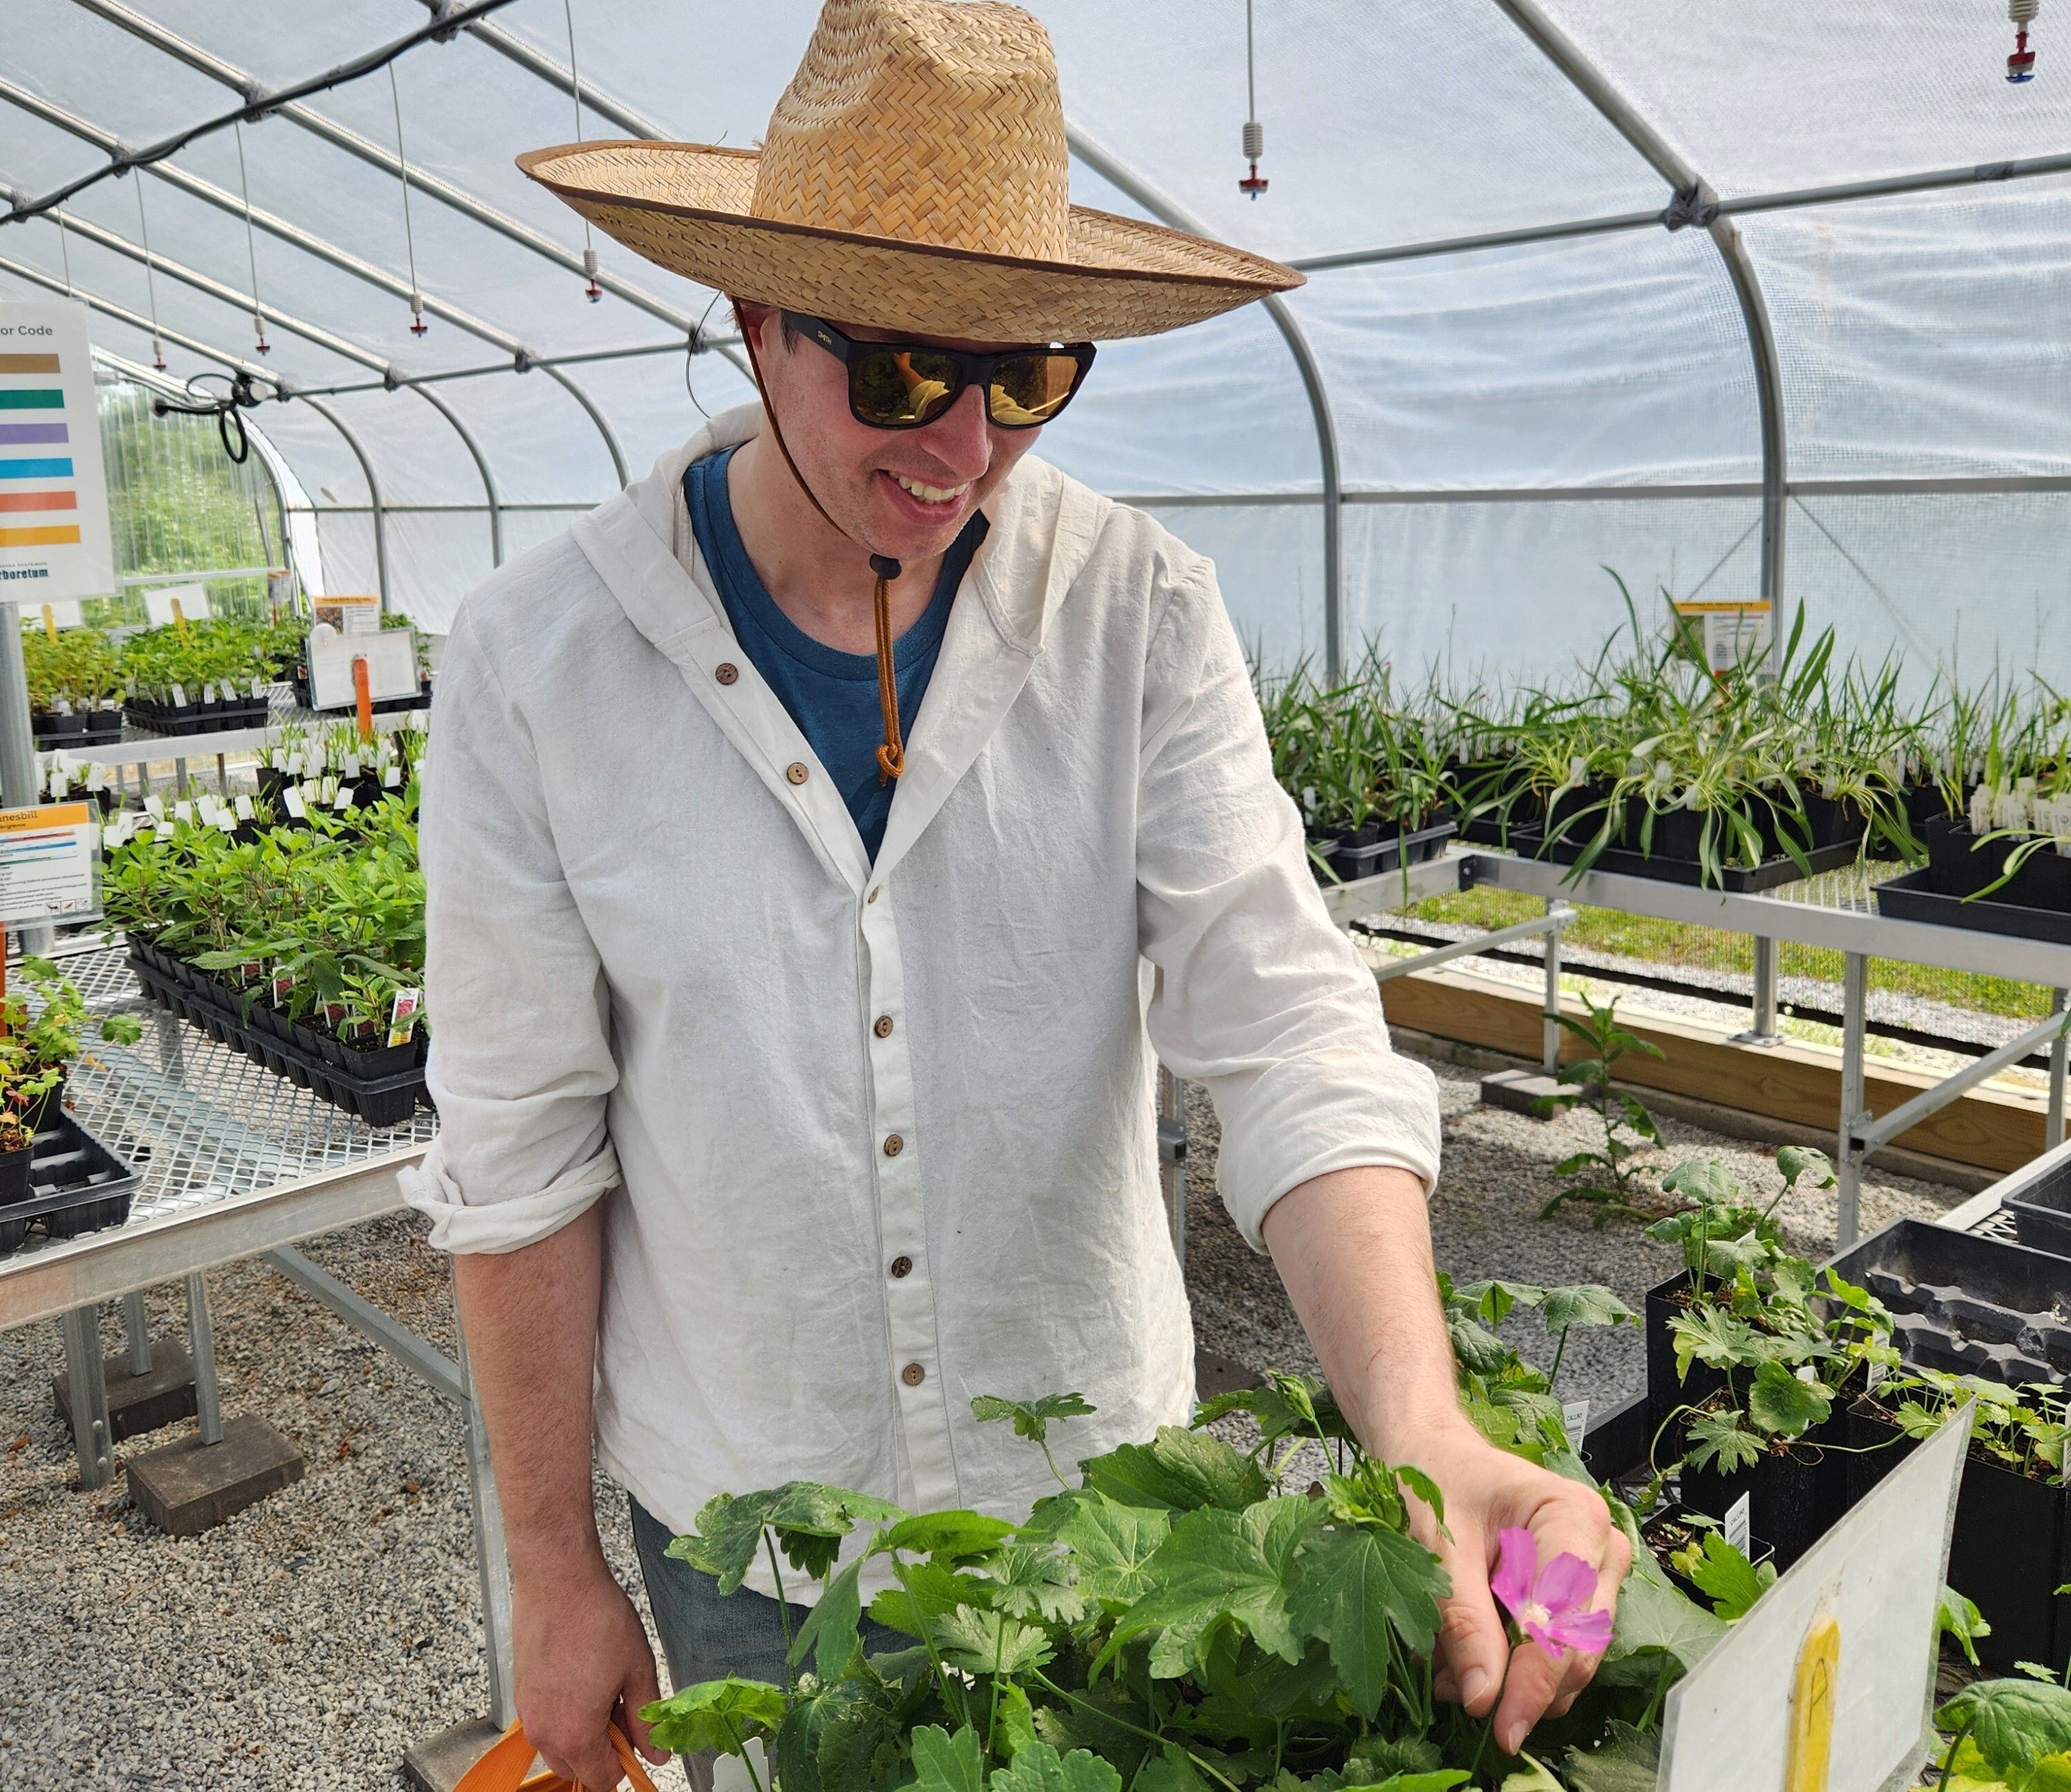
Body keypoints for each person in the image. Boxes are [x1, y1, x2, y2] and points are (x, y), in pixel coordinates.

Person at [404, 3, 1629, 1787]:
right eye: (900, 371)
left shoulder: (1138, 613)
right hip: (754, 1544)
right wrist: (550, 1559)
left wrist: (1423, 1421)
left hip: (1100, 1520)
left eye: (1031, 371)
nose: (965, 444)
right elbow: (519, 1144)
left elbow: (1280, 1019)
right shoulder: (538, 667)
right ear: (756, 322)